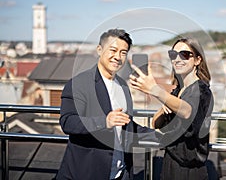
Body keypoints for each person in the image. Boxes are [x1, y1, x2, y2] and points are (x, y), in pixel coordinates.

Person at [56, 29, 159, 180]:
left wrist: (160, 135)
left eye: (123, 52)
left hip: (120, 173)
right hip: (87, 173)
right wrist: (104, 121)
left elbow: (128, 125)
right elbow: (68, 122)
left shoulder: (123, 86)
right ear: (99, 49)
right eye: (113, 50)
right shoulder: (79, 83)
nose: (118, 57)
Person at [130, 37, 214, 180]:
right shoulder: (177, 91)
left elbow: (187, 112)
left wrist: (155, 90)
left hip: (189, 171)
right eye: (173, 54)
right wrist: (165, 107)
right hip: (170, 162)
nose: (177, 59)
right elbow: (156, 123)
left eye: (185, 54)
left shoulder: (201, 90)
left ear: (197, 60)